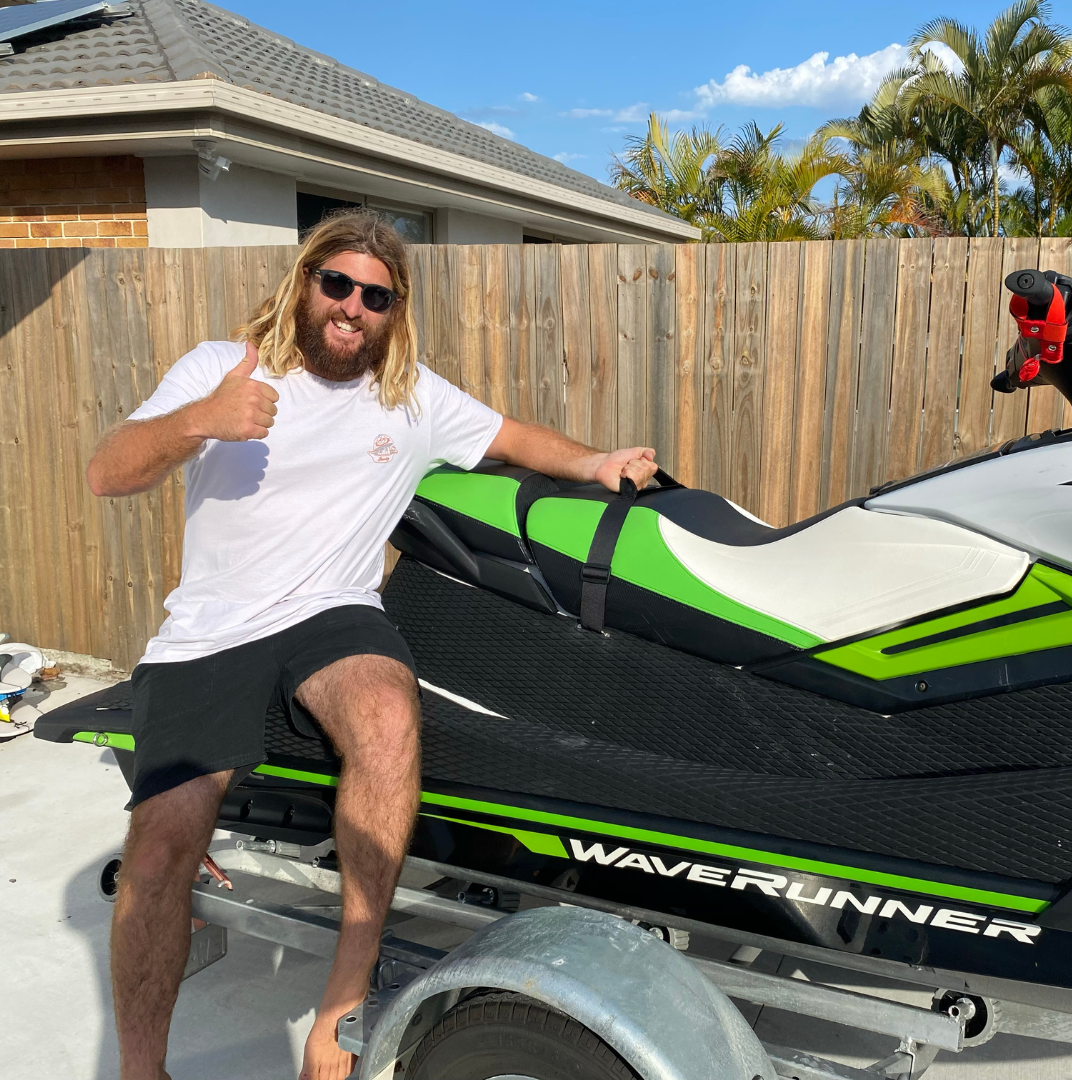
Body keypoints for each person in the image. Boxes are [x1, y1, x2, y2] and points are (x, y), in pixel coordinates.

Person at [85, 209, 658, 1080]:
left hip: (332, 611)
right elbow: (108, 471)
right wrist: (199, 420)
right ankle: (140, 1071)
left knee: (389, 720)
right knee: (161, 846)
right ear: (305, 281)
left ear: (394, 311)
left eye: (375, 296)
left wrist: (596, 462)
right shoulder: (220, 366)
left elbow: (511, 438)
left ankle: (342, 1005)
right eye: (338, 284)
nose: (352, 306)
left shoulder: (412, 394)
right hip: (215, 624)